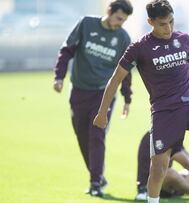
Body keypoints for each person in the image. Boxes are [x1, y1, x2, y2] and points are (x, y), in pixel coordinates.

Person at [93, 1, 189, 202]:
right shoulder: (139, 48)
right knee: (159, 168)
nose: (168, 28)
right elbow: (115, 79)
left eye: (171, 21)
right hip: (165, 111)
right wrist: (102, 113)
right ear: (150, 22)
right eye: (163, 24)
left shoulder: (183, 39)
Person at [53, 0, 133, 197]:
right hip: (79, 91)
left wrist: (127, 98)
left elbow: (126, 71)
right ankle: (98, 176)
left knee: (96, 135)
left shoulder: (123, 38)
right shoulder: (86, 24)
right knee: (82, 136)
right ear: (109, 11)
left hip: (103, 94)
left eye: (123, 21)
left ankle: (95, 183)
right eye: (118, 18)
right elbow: (67, 50)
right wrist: (59, 76)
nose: (119, 23)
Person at [135, 131, 189, 201]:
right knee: (169, 173)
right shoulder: (159, 135)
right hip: (151, 186)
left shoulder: (171, 134)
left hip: (168, 187)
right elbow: (186, 163)